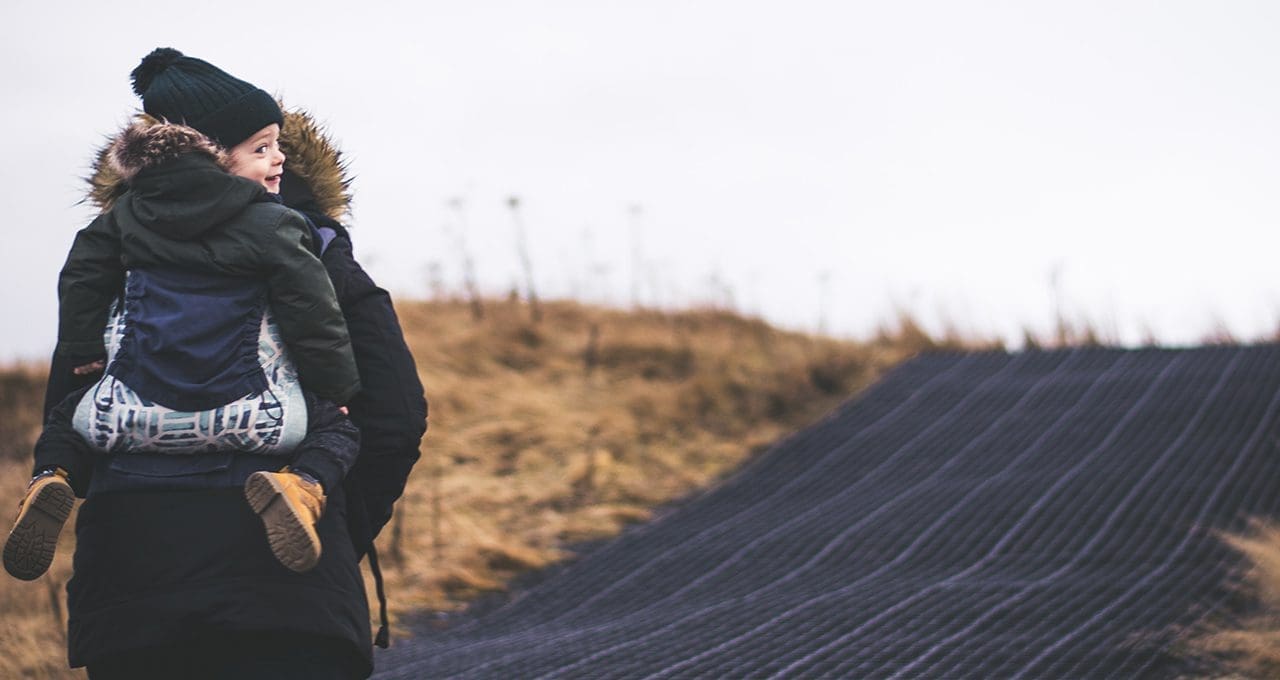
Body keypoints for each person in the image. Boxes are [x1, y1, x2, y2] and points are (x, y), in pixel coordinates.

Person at [3, 48, 428, 678]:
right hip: (288, 590)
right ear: (212, 152)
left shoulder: (114, 243)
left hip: (131, 584)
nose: (276, 157)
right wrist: (336, 527)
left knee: (72, 425)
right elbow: (393, 413)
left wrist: (70, 468)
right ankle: (305, 490)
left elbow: (74, 387)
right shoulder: (311, 247)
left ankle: (49, 479)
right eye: (261, 146)